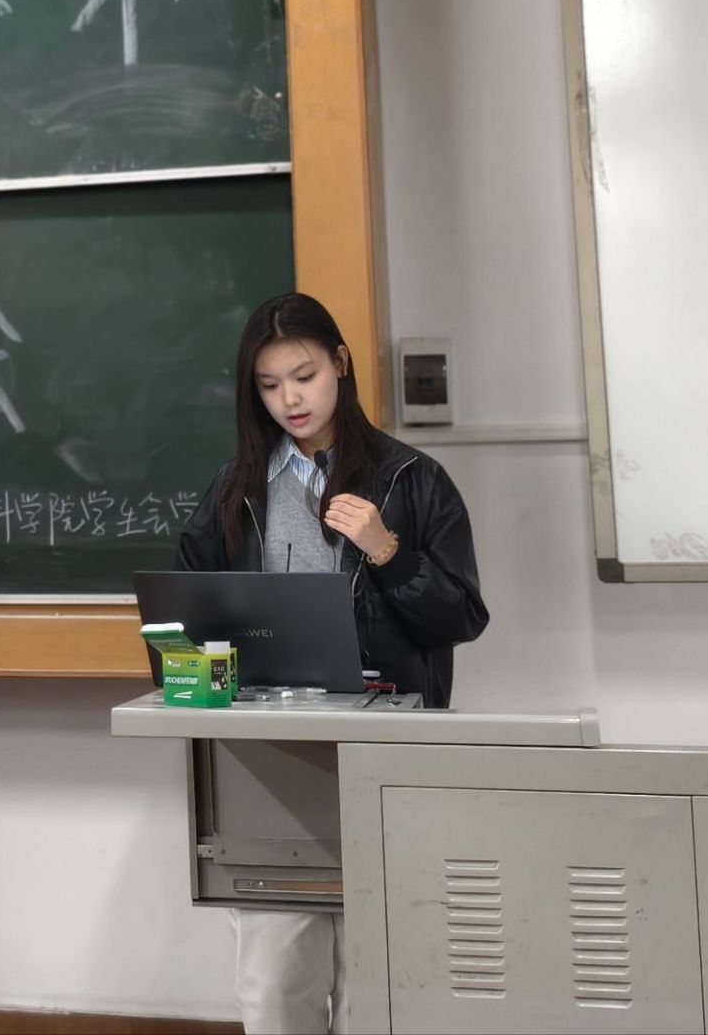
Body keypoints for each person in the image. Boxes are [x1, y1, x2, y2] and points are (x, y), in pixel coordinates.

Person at [175, 292, 488, 1035]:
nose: (290, 399)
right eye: (269, 385)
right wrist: (195, 669)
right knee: (274, 984)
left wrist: (388, 551)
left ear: (341, 365)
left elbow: (461, 618)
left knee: (379, 985)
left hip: (383, 751)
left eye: (305, 376)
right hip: (269, 762)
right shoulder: (235, 491)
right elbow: (186, 615)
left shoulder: (412, 480)